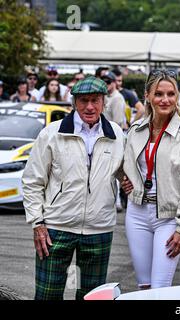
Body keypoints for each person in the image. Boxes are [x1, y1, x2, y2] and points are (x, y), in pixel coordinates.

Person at [22, 77, 125, 300]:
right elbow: (32, 181)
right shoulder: (52, 133)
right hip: (55, 227)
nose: (89, 107)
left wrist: (128, 181)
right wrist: (37, 223)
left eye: (95, 100)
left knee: (92, 297)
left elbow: (126, 172)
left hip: (99, 228)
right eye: (83, 100)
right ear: (74, 103)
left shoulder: (116, 135)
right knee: (47, 295)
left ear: (103, 101)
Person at [122, 69, 180, 289]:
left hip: (169, 217)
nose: (165, 99)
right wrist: (125, 179)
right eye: (159, 94)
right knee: (144, 286)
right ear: (148, 96)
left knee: (160, 287)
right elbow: (121, 162)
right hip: (137, 213)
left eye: (171, 94)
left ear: (177, 96)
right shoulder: (136, 129)